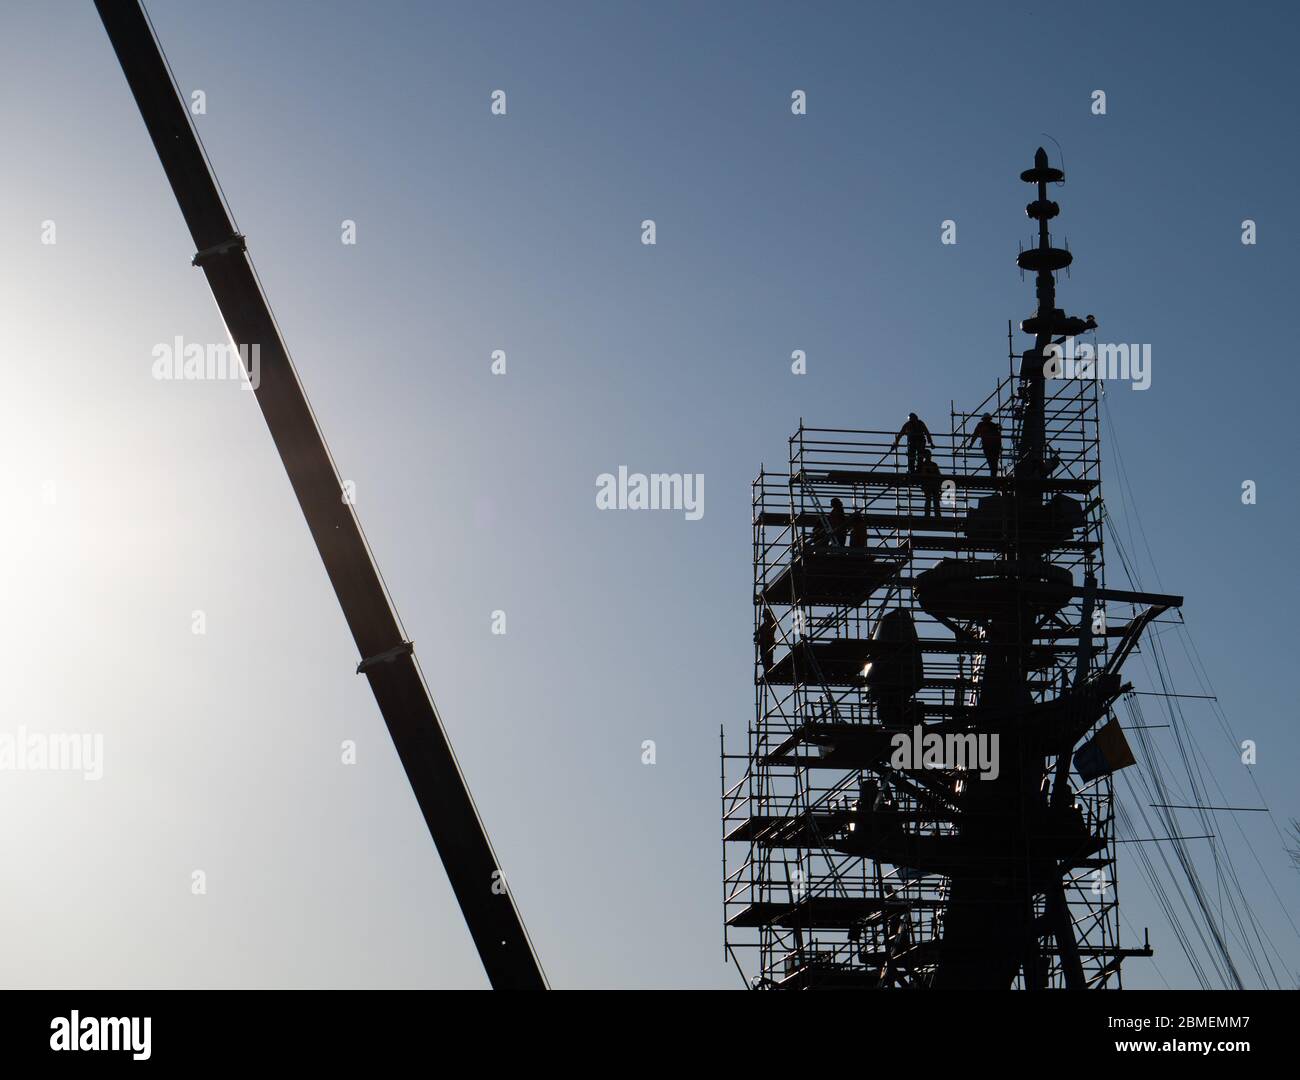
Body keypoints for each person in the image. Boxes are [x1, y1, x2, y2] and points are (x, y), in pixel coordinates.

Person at [917, 449, 942, 518]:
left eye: (929, 454)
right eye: (928, 454)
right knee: (930, 500)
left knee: (934, 500)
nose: (929, 456)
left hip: (933, 484)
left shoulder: (932, 464)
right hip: (929, 484)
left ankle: (936, 514)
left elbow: (938, 475)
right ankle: (930, 515)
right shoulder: (924, 465)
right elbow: (923, 475)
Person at [756, 608, 777, 673]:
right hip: (764, 643)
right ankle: (767, 670)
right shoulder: (766, 623)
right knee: (764, 656)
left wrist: (760, 637)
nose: (764, 618)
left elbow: (767, 632)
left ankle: (769, 670)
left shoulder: (771, 622)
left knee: (768, 657)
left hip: (768, 643)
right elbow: (760, 631)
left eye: (764, 616)